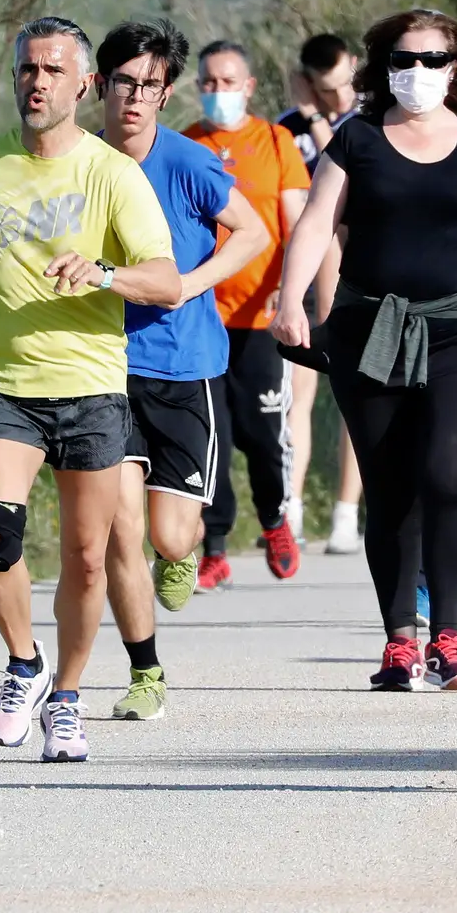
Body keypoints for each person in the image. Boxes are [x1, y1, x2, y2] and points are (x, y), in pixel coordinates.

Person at [0, 16, 178, 762]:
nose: (37, 81)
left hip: (89, 385)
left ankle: (67, 696)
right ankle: (25, 662)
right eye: (27, 68)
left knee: (89, 557)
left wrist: (105, 273)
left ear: (83, 85)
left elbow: (168, 281)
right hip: (1, 383)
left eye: (54, 71)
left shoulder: (112, 174)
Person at [271, 8, 457, 692]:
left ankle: (449, 637)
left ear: (456, 69)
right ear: (382, 66)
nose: (416, 73)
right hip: (371, 332)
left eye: (432, 60)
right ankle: (400, 640)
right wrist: (290, 300)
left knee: (450, 476)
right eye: (404, 59)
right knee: (390, 489)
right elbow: (314, 224)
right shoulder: (355, 140)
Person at [93, 19, 265, 720]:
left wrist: (193, 284)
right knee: (116, 528)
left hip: (183, 364)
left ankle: (183, 548)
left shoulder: (188, 161)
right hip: (102, 368)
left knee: (168, 535)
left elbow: (254, 232)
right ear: (99, 86)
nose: (135, 97)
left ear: (166, 95)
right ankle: (145, 673)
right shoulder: (77, 162)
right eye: (125, 82)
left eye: (151, 86)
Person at [183, 40, 311, 588]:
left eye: (228, 82)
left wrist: (290, 287)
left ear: (249, 87)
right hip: (201, 314)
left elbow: (296, 222)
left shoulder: (275, 142)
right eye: (209, 83)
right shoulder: (185, 143)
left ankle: (276, 519)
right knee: (211, 435)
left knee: (261, 434)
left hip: (261, 317)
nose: (218, 93)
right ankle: (214, 546)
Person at [279, 33, 365, 552]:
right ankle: (292, 507)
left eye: (339, 89)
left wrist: (317, 117)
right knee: (297, 399)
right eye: (322, 92)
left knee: (356, 396)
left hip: (356, 274)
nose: (334, 100)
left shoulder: (374, 122)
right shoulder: (287, 132)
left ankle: (346, 510)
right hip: (304, 276)